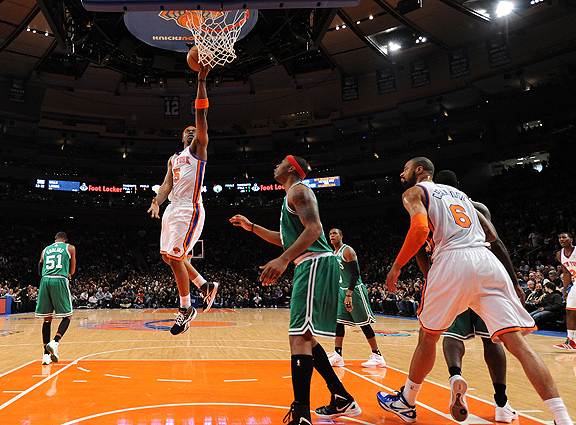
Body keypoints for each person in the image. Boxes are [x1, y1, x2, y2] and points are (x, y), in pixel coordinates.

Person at [376, 157, 572, 425]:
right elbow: (492, 235)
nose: (402, 173)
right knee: (517, 343)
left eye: (405, 168)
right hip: (486, 261)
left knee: (428, 337)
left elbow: (420, 229)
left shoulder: (414, 192)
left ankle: (407, 402)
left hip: (451, 260)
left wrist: (397, 266)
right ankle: (562, 417)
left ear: (419, 170)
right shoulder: (463, 196)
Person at [230, 155, 361, 425]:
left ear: (291, 167)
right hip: (310, 264)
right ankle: (341, 397)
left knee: (298, 338)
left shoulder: (299, 190)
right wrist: (252, 227)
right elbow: (285, 238)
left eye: (280, 162)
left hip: (314, 263)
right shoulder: (290, 196)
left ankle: (302, 415)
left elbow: (314, 229)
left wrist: (283, 259)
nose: (275, 165)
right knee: (306, 338)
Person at [416, 170, 520, 423]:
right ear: (459, 185)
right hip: (483, 272)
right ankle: (502, 403)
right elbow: (495, 243)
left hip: (451, 273)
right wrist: (515, 282)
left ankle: (455, 375)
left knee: (451, 335)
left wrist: (432, 276)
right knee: (492, 340)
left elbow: (419, 247)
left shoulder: (430, 205)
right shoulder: (478, 207)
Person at [147, 62, 218, 335]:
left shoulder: (199, 149)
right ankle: (204, 285)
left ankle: (186, 308)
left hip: (190, 209)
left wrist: (201, 80)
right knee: (169, 258)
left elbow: (201, 114)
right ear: (181, 137)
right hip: (172, 209)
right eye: (186, 131)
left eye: (194, 130)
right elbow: (166, 185)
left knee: (176, 258)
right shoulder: (174, 158)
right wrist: (156, 200)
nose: (191, 131)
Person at [326, 228, 386, 369]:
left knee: (364, 323)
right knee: (339, 322)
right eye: (330, 234)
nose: (332, 236)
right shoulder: (333, 253)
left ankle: (378, 356)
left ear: (341, 236)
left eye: (335, 233)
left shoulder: (347, 251)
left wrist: (349, 294)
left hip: (354, 291)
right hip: (341, 290)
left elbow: (355, 273)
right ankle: (338, 356)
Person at [35, 232, 76, 365]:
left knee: (47, 319)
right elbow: (72, 271)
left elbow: (39, 266)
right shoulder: (70, 248)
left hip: (45, 280)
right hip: (59, 279)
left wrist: (45, 276)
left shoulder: (45, 249)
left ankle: (45, 355)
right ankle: (55, 342)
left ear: (55, 239)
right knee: (68, 316)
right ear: (66, 240)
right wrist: (68, 274)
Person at [554, 232, 576, 350]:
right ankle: (571, 341)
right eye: (560, 238)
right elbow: (566, 273)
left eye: (564, 237)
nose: (561, 239)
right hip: (575, 283)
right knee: (570, 310)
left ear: (571, 239)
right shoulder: (560, 254)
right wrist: (565, 289)